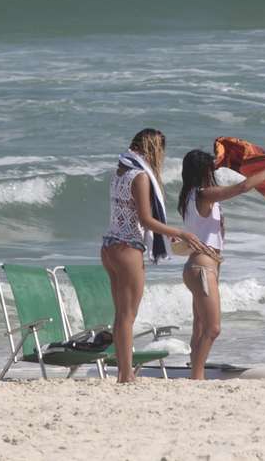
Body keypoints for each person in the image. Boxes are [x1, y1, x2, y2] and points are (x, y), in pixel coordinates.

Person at [101, 128, 206, 383]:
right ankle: (126, 375)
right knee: (128, 315)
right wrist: (180, 233)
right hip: (128, 248)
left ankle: (124, 373)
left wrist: (164, 233)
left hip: (109, 245)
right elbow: (146, 220)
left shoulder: (120, 172)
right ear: (152, 149)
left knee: (120, 315)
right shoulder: (140, 177)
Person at [177, 149, 265, 380]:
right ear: (203, 171)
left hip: (198, 267)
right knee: (212, 328)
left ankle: (195, 372)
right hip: (202, 269)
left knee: (200, 327)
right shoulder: (204, 194)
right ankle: (197, 377)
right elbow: (241, 187)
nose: (214, 172)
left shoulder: (189, 196)